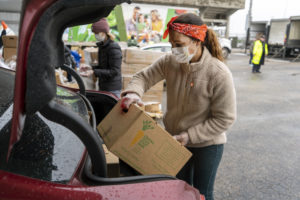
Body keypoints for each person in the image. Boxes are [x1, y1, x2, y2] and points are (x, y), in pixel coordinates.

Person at [120, 13, 236, 200]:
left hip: (207, 145)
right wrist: (134, 93)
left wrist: (189, 136)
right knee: (178, 190)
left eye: (179, 45)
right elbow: (143, 77)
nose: (174, 50)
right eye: (172, 44)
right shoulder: (170, 62)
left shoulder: (218, 73)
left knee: (202, 194)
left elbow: (225, 119)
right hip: (175, 142)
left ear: (197, 41)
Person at [80, 18, 122, 98]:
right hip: (103, 86)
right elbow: (103, 67)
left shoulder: (113, 48)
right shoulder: (102, 46)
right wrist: (90, 68)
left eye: (96, 33)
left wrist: (94, 72)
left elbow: (114, 71)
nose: (95, 35)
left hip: (112, 89)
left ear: (103, 33)